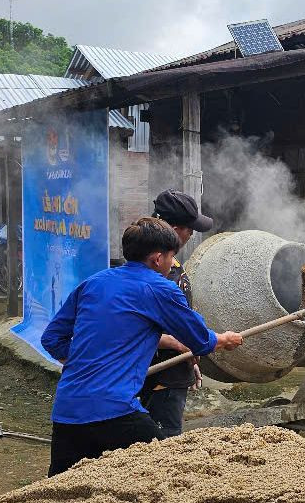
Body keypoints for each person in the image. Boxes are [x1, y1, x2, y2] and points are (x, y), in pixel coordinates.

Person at [41, 217, 242, 477]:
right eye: (171, 257)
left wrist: (85, 361)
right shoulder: (160, 289)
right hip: (115, 411)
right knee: (167, 472)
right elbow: (200, 341)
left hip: (67, 411)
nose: (172, 264)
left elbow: (52, 339)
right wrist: (225, 339)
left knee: (59, 490)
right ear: (157, 259)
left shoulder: (93, 283)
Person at [139, 189, 214, 437]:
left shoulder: (172, 265)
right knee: (160, 444)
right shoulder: (154, 274)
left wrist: (187, 359)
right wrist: (180, 345)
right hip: (158, 377)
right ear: (172, 230)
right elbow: (134, 328)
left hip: (173, 371)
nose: (191, 234)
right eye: (188, 228)